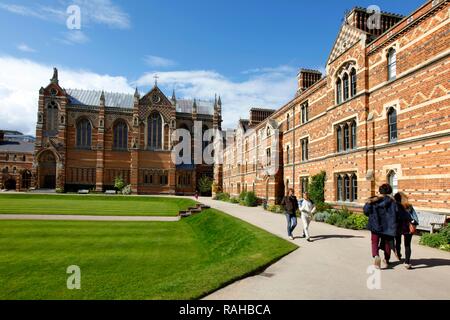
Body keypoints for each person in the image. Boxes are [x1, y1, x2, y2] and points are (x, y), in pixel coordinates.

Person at [363, 184, 399, 269]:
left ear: (380, 191)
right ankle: (386, 260)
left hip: (376, 224)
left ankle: (376, 255)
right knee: (387, 243)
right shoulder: (393, 202)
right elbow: (397, 213)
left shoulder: (373, 201)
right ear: (390, 191)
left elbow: (366, 211)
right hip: (388, 226)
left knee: (374, 241)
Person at [394, 192, 419, 269]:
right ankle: (407, 262)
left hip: (398, 227)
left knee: (398, 241)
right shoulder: (409, 206)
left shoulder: (395, 206)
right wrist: (414, 224)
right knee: (407, 245)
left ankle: (398, 253)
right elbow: (415, 217)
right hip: (408, 227)